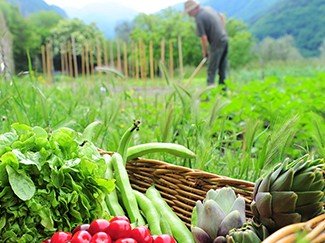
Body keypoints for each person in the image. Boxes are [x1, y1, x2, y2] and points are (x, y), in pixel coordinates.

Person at [185, 0, 228, 87]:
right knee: (222, 69)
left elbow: (203, 38)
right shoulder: (208, 9)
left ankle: (209, 94)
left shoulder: (199, 18)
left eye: (189, 12)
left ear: (195, 9)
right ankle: (223, 92)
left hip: (216, 42)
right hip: (224, 39)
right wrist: (222, 31)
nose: (188, 14)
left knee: (211, 70)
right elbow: (222, 17)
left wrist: (205, 52)